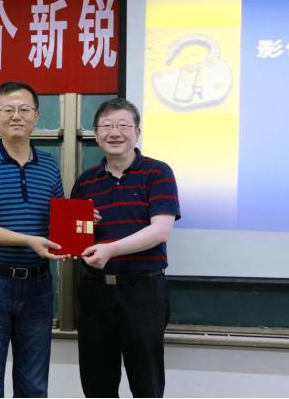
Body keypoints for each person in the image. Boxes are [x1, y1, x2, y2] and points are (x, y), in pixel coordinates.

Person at [0, 81, 67, 398]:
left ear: (36, 116)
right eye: (8, 110)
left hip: (38, 288)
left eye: (24, 109)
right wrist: (28, 240)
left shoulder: (49, 165)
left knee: (34, 385)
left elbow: (58, 222)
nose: (16, 116)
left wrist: (84, 223)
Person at [71, 97, 180, 397]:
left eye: (122, 125)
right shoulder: (86, 182)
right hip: (95, 293)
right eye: (106, 126)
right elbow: (75, 238)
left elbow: (161, 230)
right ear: (96, 134)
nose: (114, 132)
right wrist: (82, 227)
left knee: (146, 385)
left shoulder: (157, 173)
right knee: (97, 385)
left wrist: (110, 250)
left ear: (138, 132)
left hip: (143, 293)